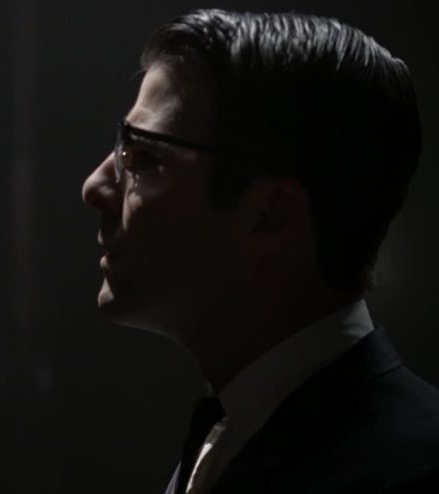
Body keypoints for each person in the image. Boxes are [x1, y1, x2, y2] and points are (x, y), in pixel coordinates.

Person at [82, 9, 439, 493]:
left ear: (271, 216)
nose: (95, 186)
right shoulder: (234, 433)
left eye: (146, 158)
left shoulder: (412, 468)